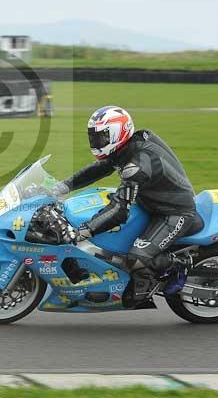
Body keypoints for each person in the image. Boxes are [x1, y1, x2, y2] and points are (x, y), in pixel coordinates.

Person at [50, 106, 196, 306]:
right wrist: (60, 187)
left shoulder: (136, 166)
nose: (95, 142)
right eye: (94, 137)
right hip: (150, 203)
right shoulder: (129, 147)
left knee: (136, 258)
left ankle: (180, 266)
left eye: (101, 137)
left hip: (174, 212)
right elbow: (98, 169)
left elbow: (119, 211)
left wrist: (82, 232)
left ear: (118, 133)